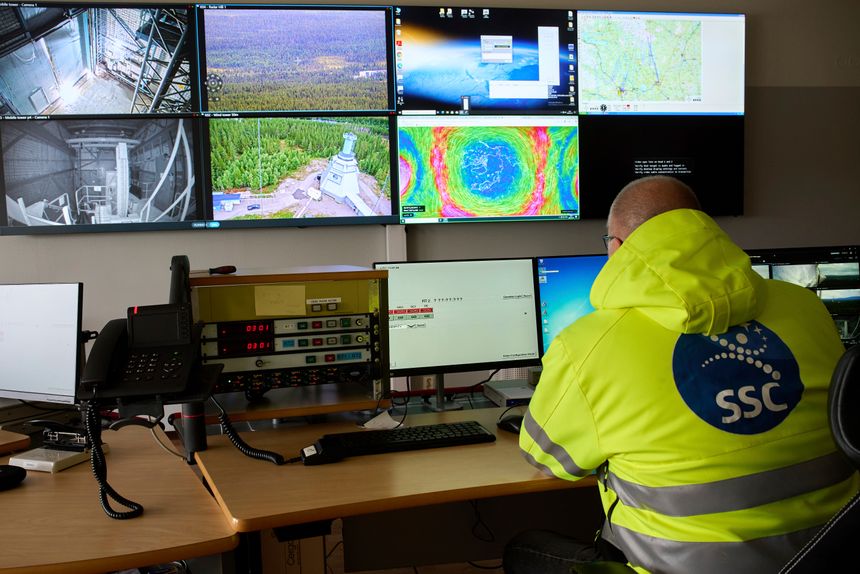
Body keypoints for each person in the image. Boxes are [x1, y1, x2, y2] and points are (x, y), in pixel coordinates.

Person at [504, 176, 858, 574]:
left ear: (617, 247)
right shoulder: (805, 307)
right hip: (829, 553)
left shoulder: (588, 344)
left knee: (525, 549)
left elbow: (547, 460)